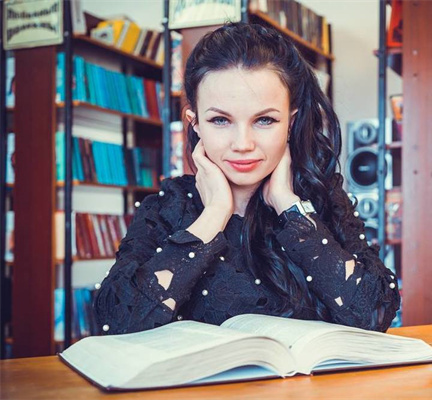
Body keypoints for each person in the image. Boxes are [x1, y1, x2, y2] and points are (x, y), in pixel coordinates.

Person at [94, 22, 400, 335]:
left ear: (290, 124)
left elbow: (374, 314)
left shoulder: (320, 201)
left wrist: (288, 207)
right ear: (195, 123)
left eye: (264, 120)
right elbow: (114, 325)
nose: (243, 143)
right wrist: (214, 215)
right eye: (220, 120)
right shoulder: (165, 209)